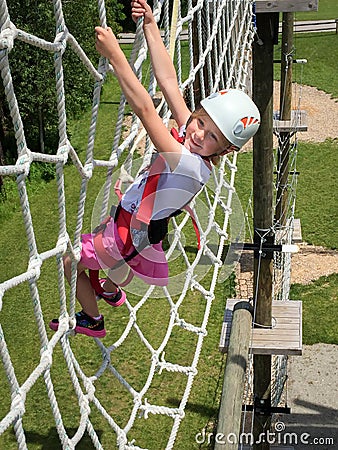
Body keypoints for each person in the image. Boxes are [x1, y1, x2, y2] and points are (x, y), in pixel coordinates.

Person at [49, 0, 260, 338]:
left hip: (129, 236)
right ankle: (109, 288)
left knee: (69, 261)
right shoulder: (193, 140)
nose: (198, 132)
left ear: (226, 150)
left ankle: (92, 319)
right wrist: (150, 24)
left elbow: (147, 111)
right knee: (92, 244)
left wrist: (117, 56)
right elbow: (169, 82)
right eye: (201, 121)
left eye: (211, 136)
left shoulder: (189, 162)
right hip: (132, 223)